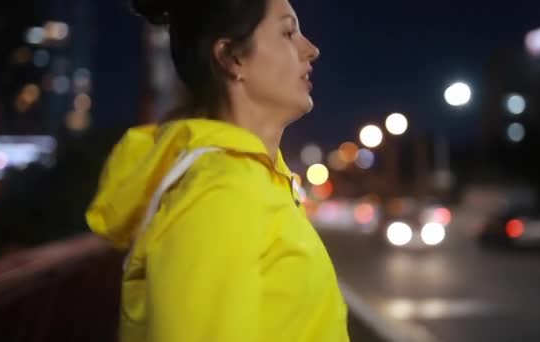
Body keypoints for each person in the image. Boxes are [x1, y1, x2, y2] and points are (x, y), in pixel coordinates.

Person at [85, 0, 350, 341]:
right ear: (231, 57)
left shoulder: (255, 181)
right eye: (288, 32)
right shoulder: (220, 193)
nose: (311, 49)